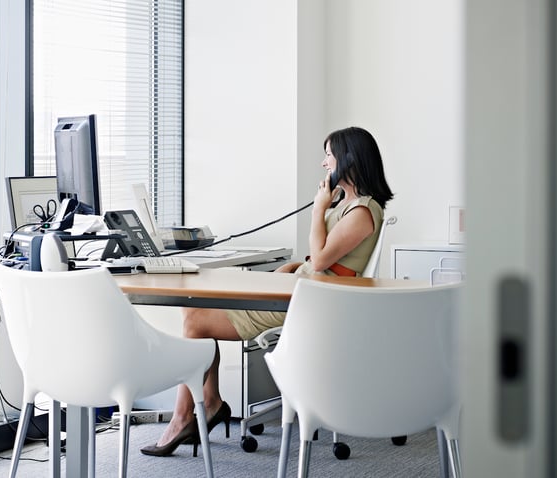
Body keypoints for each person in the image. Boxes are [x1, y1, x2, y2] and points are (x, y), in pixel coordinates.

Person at [140, 126, 394, 456]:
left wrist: (318, 208)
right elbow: (324, 261)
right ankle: (208, 403)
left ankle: (185, 417)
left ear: (348, 159)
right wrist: (293, 266)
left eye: (328, 156)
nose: (323, 163)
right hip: (301, 293)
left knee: (195, 323)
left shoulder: (362, 211)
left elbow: (320, 261)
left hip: (306, 305)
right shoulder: (349, 206)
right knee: (192, 310)